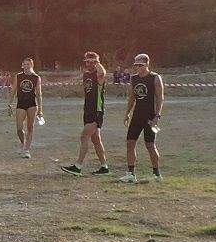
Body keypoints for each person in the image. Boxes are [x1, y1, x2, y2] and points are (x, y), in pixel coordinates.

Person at [62, 52, 112, 175]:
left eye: (92, 62)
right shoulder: (86, 75)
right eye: (88, 61)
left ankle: (78, 166)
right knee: (96, 140)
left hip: (97, 111)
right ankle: (104, 167)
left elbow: (103, 73)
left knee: (84, 136)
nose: (89, 64)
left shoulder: (98, 75)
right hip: (88, 110)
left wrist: (97, 61)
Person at [118, 52, 164, 183]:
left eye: (140, 65)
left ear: (146, 64)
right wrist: (127, 113)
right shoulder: (134, 78)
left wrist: (157, 116)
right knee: (130, 143)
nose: (137, 67)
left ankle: (156, 174)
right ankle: (130, 173)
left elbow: (160, 98)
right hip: (137, 115)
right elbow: (132, 98)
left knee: (150, 145)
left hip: (150, 116)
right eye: (136, 65)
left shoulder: (155, 78)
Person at [13, 57, 42, 156]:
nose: (26, 66)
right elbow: (13, 90)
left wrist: (40, 111)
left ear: (31, 65)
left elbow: (39, 94)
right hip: (20, 103)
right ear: (22, 65)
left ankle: (27, 150)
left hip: (32, 103)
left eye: (28, 64)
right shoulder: (18, 76)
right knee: (19, 128)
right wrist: (9, 103)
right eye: (24, 64)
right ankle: (23, 143)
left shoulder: (36, 77)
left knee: (30, 127)